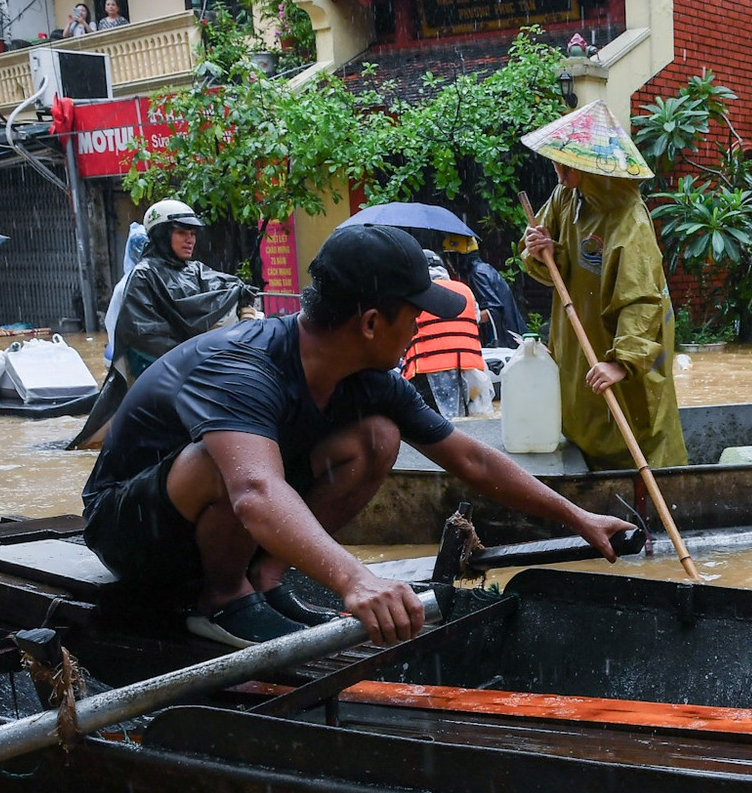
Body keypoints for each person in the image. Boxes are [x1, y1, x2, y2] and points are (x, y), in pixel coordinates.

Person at [82, 222, 633, 647]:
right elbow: (254, 492)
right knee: (223, 459)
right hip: (133, 533)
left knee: (377, 437)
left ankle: (267, 581)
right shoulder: (244, 366)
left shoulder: (369, 379)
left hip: (225, 516)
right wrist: (355, 580)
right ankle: (222, 600)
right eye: (413, 313)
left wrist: (578, 519)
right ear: (370, 323)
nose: (421, 325)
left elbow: (474, 460)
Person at [519, 101, 686, 469]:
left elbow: (642, 301)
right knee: (581, 410)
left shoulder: (629, 219)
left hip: (620, 343)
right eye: (557, 163)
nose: (560, 173)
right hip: (578, 333)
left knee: (633, 423)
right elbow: (549, 267)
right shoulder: (567, 197)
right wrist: (541, 250)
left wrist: (623, 362)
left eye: (568, 166)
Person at [71, 199, 260, 449]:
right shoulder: (143, 276)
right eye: (182, 232)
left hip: (196, 363)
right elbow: (142, 333)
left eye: (192, 233)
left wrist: (240, 295)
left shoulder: (196, 270)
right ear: (162, 234)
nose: (190, 239)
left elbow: (225, 289)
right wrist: (193, 355)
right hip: (159, 371)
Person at [401, 250, 486, 417]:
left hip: (427, 367)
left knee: (431, 426)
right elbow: (475, 319)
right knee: (469, 425)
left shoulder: (416, 292)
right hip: (470, 368)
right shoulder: (464, 289)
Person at [458, 252, 528, 347]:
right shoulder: (484, 268)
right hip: (514, 334)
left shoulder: (477, 273)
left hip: (504, 341)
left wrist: (463, 320)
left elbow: (493, 310)